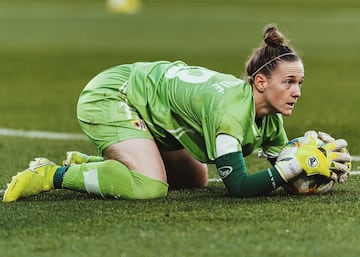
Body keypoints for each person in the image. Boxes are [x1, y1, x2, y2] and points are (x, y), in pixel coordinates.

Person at [3, 25, 351, 202]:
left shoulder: (269, 119)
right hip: (113, 94)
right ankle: (52, 175)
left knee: (194, 180)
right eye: (289, 81)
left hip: (151, 107)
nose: (297, 91)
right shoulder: (230, 113)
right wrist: (294, 166)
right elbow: (240, 187)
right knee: (150, 187)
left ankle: (90, 163)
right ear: (260, 82)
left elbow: (280, 171)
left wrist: (316, 164)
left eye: (300, 82)